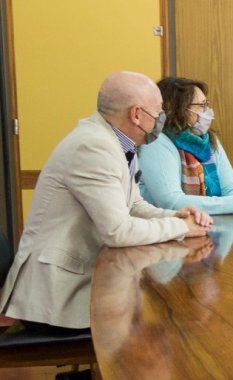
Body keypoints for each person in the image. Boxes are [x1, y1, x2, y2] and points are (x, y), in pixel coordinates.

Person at [0, 71, 213, 332]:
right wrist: (183, 228)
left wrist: (175, 216)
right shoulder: (93, 147)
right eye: (158, 111)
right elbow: (118, 231)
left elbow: (134, 205)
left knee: (155, 311)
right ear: (136, 114)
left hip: (79, 279)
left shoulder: (117, 142)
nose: (162, 118)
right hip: (55, 296)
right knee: (160, 321)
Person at [137, 77, 233, 215]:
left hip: (206, 223)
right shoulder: (156, 142)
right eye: (201, 105)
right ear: (178, 108)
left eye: (206, 104)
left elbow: (230, 186)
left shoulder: (208, 139)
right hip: (166, 228)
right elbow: (172, 202)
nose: (207, 111)